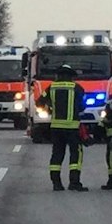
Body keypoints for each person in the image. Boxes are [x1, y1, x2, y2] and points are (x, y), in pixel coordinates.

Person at [37, 63, 86, 192]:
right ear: (71, 76)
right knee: (75, 155)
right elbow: (82, 106)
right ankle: (74, 183)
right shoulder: (77, 88)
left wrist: (50, 110)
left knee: (57, 154)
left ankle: (56, 184)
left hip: (56, 127)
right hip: (73, 127)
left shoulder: (51, 87)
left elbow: (39, 102)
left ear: (58, 75)